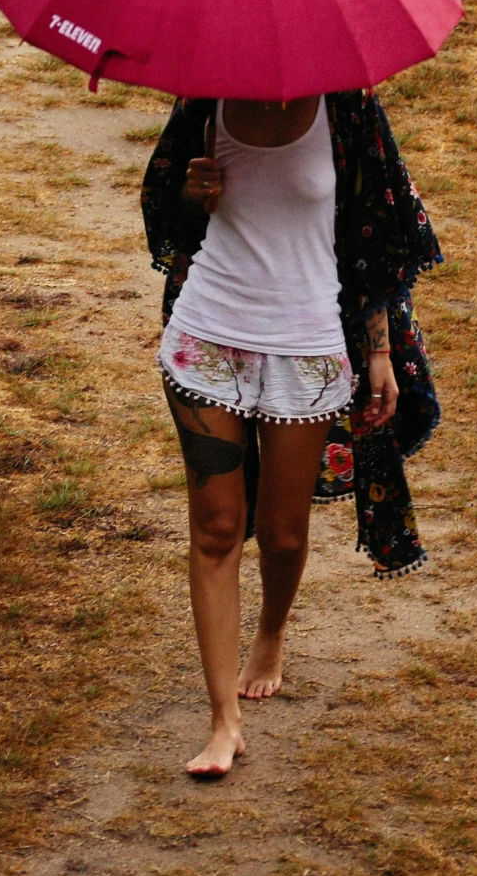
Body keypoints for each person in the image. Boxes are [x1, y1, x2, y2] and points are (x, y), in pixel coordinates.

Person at [141, 90, 442, 777]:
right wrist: (193, 194)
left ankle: (270, 631)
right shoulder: (204, 104)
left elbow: (377, 232)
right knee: (215, 528)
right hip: (207, 337)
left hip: (307, 345)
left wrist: (378, 353)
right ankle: (224, 721)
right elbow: (163, 217)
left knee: (282, 530)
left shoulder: (349, 112)